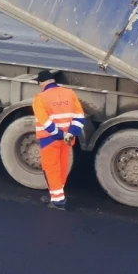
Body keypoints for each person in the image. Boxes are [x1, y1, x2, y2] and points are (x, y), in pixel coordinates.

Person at [33, 69, 86, 211]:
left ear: (42, 83)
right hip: (68, 140)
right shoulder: (69, 93)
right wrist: (70, 133)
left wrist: (58, 134)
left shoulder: (41, 97)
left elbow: (44, 122)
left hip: (49, 140)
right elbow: (80, 117)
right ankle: (57, 195)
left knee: (51, 169)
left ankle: (57, 202)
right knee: (62, 167)